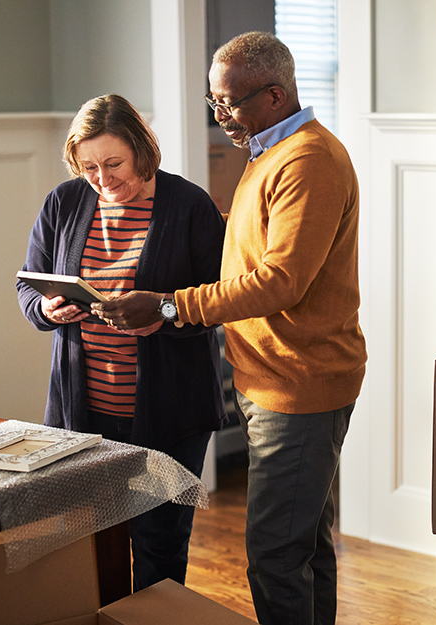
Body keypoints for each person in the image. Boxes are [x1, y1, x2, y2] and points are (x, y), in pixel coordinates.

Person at [93, 32, 367, 625]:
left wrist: (168, 306)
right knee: (307, 547)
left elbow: (280, 283)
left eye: (230, 103)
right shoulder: (270, 153)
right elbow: (252, 248)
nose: (220, 116)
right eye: (213, 102)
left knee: (274, 555)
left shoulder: (307, 160)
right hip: (274, 376)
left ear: (275, 95)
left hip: (299, 385)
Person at [16, 94, 227, 592]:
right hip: (82, 414)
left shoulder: (188, 205)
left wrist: (164, 312)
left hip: (170, 415)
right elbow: (28, 284)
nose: (103, 179)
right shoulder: (63, 202)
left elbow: (220, 299)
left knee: (159, 545)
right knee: (92, 542)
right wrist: (46, 309)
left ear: (141, 149)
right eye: (89, 166)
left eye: (114, 163)